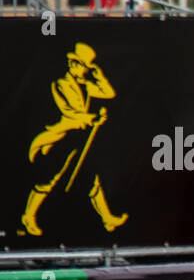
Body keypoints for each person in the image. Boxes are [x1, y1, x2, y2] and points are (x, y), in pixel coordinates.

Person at [22, 42, 126, 237]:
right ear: (72, 64)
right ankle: (29, 216)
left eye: (83, 65)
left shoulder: (86, 85)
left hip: (80, 140)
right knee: (48, 179)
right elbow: (71, 114)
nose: (78, 68)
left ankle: (107, 218)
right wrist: (92, 118)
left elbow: (109, 93)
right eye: (77, 64)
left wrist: (98, 75)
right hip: (62, 137)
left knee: (92, 179)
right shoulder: (61, 84)